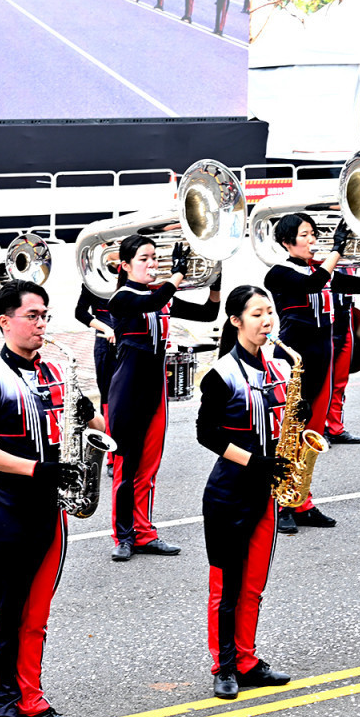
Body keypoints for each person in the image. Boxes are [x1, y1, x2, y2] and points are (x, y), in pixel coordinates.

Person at [0, 280, 98, 717]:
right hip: (8, 512)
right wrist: (41, 469)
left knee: (36, 616)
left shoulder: (57, 371)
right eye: (33, 316)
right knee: (4, 616)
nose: (42, 324)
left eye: (45, 315)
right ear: (5, 321)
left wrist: (92, 420)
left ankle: (32, 702)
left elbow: (90, 422)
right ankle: (2, 709)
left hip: (52, 513)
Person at [196, 286, 293, 700]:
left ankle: (247, 658)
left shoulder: (282, 368)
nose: (266, 320)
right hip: (230, 491)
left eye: (269, 312)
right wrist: (254, 461)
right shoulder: (222, 373)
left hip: (265, 491)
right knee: (227, 586)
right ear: (236, 321)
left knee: (253, 584)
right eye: (257, 314)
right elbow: (207, 434)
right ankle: (224, 666)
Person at [264, 214, 360, 530]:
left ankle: (302, 501)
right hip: (293, 362)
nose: (313, 239)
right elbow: (311, 284)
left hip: (322, 362)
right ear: (288, 241)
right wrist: (338, 251)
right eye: (306, 235)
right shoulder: (279, 274)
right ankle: (281, 504)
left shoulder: (323, 270)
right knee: (288, 436)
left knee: (310, 437)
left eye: (314, 234)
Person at [107, 234, 220, 561]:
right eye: (144, 258)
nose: (152, 264)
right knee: (126, 464)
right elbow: (151, 303)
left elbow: (208, 313)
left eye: (155, 258)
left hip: (155, 386)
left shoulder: (161, 295)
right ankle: (123, 535)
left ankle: (144, 532)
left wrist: (215, 277)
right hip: (128, 387)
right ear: (125, 265)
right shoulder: (122, 297)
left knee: (149, 466)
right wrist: (178, 275)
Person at [74, 270, 118, 477]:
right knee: (109, 399)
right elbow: (80, 312)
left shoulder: (134, 274)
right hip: (106, 342)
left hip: (130, 339)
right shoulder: (94, 277)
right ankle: (111, 457)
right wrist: (106, 329)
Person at [324, 275, 360, 445]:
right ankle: (317, 429)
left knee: (340, 380)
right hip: (323, 321)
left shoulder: (348, 261)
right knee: (322, 382)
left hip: (345, 316)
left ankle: (335, 427)